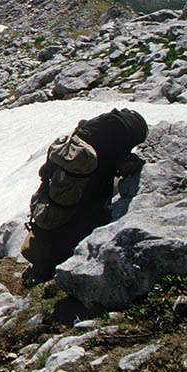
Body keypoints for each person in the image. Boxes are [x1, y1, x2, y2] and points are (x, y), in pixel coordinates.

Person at [21, 107, 148, 285]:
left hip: (73, 186)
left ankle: (45, 269)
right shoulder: (111, 132)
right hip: (90, 184)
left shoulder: (93, 129)